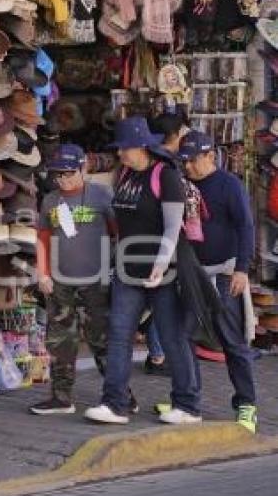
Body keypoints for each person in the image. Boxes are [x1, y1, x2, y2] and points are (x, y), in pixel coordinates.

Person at [85, 117, 200, 425]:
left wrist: (160, 265)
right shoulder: (123, 174)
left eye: (124, 148)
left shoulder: (165, 176)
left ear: (140, 146)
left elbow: (174, 226)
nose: (120, 154)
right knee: (119, 335)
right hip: (127, 269)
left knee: (171, 337)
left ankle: (187, 405)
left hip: (163, 272)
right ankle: (115, 403)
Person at [176, 131, 257, 432]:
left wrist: (242, 269)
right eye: (184, 161)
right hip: (192, 272)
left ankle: (247, 404)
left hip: (224, 273)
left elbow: (246, 226)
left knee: (231, 341)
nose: (188, 167)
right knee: (182, 336)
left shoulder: (229, 185)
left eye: (193, 161)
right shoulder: (182, 185)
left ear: (210, 156)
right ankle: (187, 400)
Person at [30, 144, 119, 415]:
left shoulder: (102, 195)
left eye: (68, 173)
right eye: (57, 175)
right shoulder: (50, 201)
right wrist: (42, 272)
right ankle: (61, 396)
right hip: (60, 281)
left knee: (101, 339)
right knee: (59, 341)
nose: (63, 179)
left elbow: (118, 234)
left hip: (96, 281)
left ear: (83, 168)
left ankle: (119, 394)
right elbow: (42, 239)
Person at [140, 111, 190, 375]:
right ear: (175, 133)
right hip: (163, 244)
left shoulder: (151, 163)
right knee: (163, 298)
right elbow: (172, 221)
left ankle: (157, 352)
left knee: (156, 300)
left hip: (146, 244)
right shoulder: (165, 166)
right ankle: (160, 354)